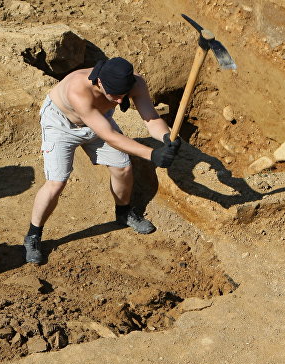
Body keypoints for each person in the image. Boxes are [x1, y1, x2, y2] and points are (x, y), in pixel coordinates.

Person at [24, 57, 181, 265]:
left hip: (98, 120)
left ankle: (124, 213)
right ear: (99, 82)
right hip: (61, 125)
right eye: (115, 96)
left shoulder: (135, 83)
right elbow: (109, 135)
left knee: (123, 168)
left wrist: (166, 136)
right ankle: (33, 235)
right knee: (57, 182)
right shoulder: (77, 90)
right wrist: (152, 155)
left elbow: (150, 117)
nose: (119, 101)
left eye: (123, 95)